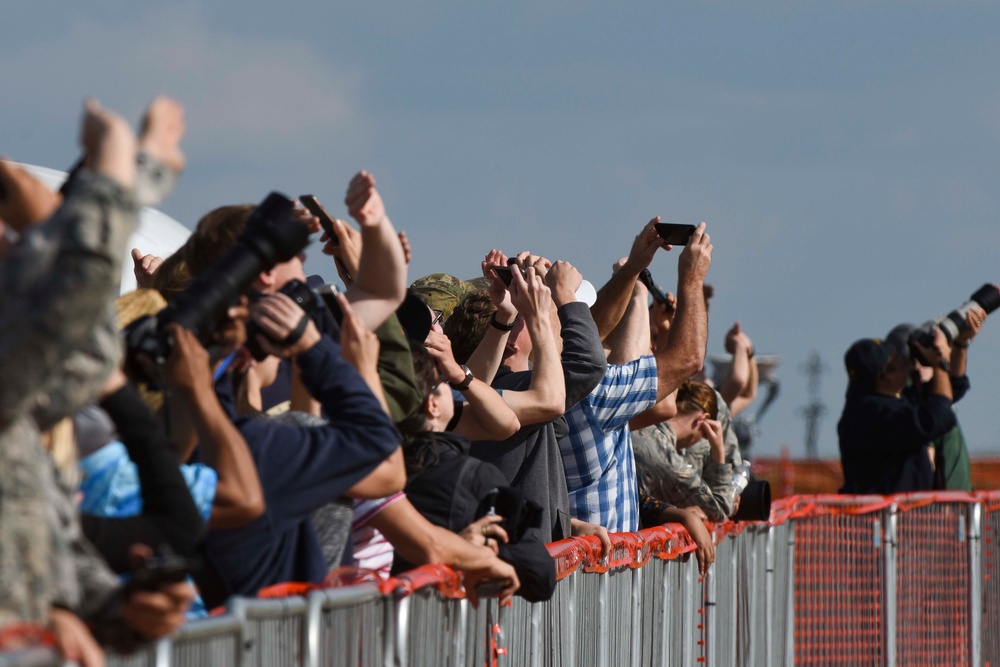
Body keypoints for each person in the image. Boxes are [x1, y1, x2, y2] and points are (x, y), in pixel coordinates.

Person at [837, 332, 956, 494]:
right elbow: (936, 418)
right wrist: (940, 363)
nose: (904, 359)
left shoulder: (877, 405)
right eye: (896, 358)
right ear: (885, 374)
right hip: (888, 516)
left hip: (896, 515)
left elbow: (951, 390)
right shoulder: (874, 415)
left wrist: (961, 344)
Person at [884, 310, 986, 491]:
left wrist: (962, 343)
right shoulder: (916, 408)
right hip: (941, 512)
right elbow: (926, 461)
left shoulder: (924, 398)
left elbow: (956, 382)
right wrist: (940, 360)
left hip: (954, 508)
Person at [631, 381, 743, 522]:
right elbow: (719, 509)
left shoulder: (641, 424)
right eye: (704, 436)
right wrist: (719, 451)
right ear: (702, 420)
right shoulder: (667, 459)